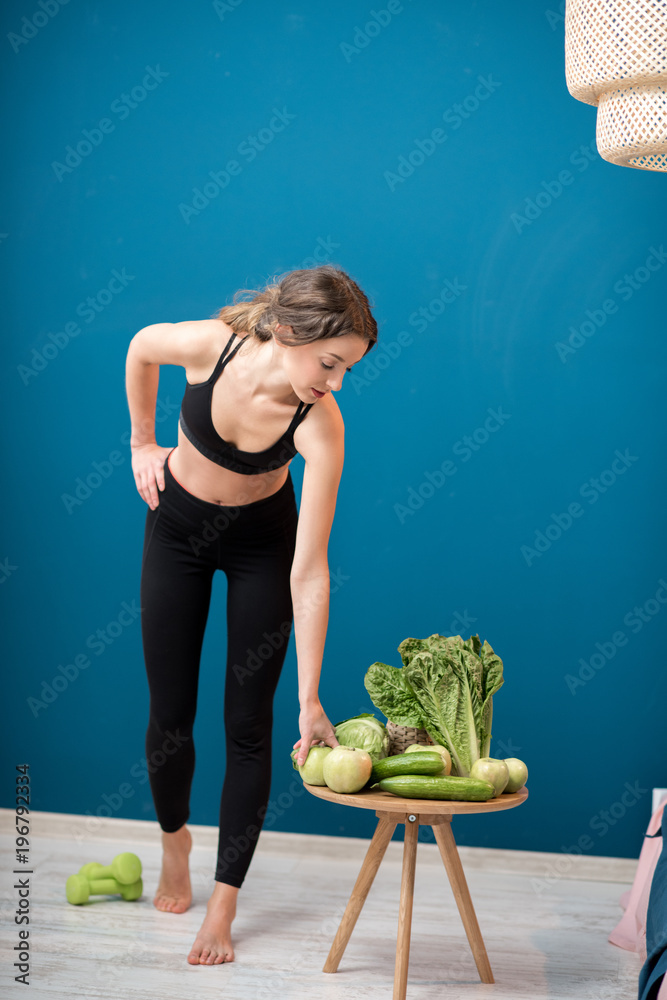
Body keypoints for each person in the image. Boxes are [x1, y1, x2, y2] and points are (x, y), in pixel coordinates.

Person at [124, 264, 377, 966]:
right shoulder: (213, 345)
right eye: (329, 362)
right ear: (289, 331)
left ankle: (225, 901)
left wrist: (310, 695)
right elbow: (142, 346)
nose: (335, 381)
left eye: (348, 368)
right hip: (175, 528)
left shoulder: (319, 423)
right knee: (169, 711)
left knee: (249, 726)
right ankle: (174, 842)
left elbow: (311, 568)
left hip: (261, 546)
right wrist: (143, 444)